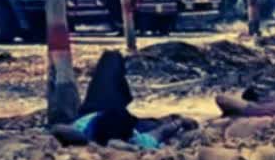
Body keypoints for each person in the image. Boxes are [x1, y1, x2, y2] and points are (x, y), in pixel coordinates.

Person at [51, 51, 196, 148]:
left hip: (92, 110)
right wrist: (180, 122)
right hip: (119, 120)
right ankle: (163, 118)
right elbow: (163, 132)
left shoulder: (81, 133)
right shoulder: (138, 142)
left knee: (111, 59)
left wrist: (86, 141)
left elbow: (57, 128)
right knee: (154, 124)